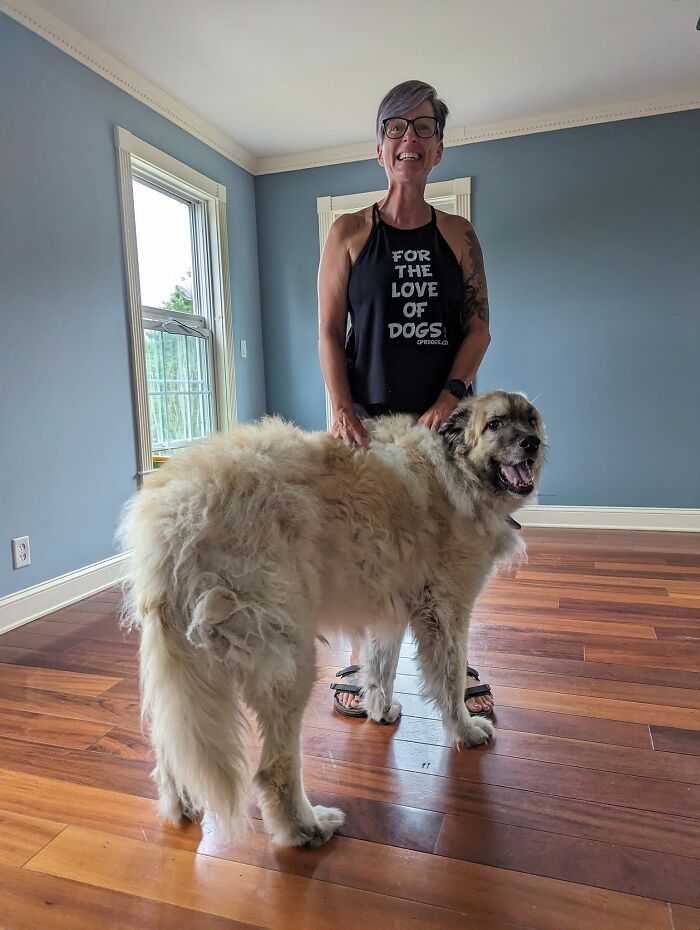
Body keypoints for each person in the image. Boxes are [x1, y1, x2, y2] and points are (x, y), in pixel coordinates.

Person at [318, 80, 495, 718]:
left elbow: (478, 328)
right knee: (374, 549)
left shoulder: (459, 235)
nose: (408, 140)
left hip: (447, 429)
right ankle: (368, 662)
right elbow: (329, 333)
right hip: (370, 428)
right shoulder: (347, 232)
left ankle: (452, 656)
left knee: (449, 547)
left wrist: (450, 399)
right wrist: (342, 410)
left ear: (439, 149)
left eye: (423, 128)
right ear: (380, 148)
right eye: (396, 128)